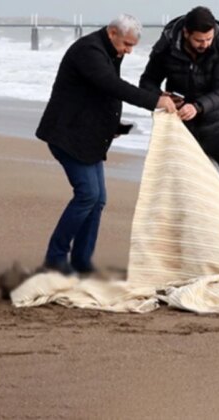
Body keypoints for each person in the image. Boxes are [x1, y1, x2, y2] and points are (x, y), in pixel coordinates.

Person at [35, 14, 177, 275]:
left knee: (98, 199)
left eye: (133, 46)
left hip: (88, 134)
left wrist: (115, 126)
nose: (129, 51)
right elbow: (113, 86)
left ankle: (81, 261)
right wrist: (154, 101)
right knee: (88, 195)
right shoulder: (89, 51)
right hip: (67, 134)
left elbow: (100, 96)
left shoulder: (111, 50)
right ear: (112, 32)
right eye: (127, 44)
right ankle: (55, 259)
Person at [139, 6, 219, 231]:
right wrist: (161, 96)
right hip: (183, 130)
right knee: (185, 194)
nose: (205, 44)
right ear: (186, 33)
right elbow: (147, 81)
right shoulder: (166, 46)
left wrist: (198, 107)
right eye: (199, 40)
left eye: (208, 38)